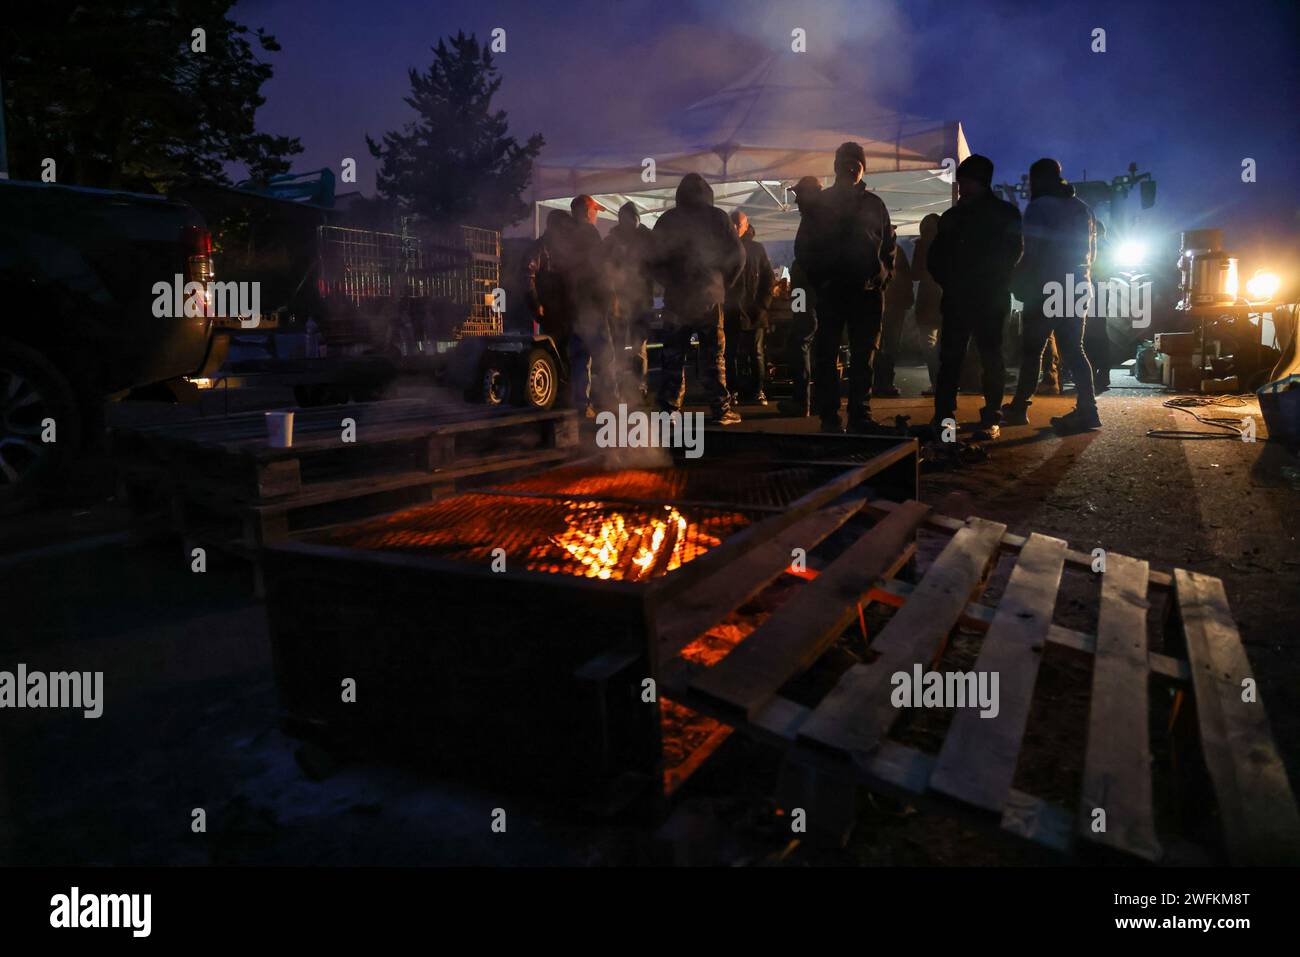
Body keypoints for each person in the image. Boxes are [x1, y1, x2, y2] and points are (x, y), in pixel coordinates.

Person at [794, 142, 895, 433]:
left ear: (863, 167)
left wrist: (883, 276)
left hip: (867, 292)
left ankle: (860, 414)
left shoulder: (875, 205)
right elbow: (804, 248)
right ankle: (829, 416)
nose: (852, 167)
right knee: (827, 353)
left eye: (857, 163)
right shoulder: (821, 204)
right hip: (833, 291)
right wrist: (821, 280)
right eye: (846, 163)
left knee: (864, 357)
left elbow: (889, 245)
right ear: (837, 167)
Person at [926, 154, 1023, 434]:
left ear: (979, 182)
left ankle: (951, 418)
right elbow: (1013, 255)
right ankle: (984, 416)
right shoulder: (1004, 213)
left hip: (969, 297)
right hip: (986, 297)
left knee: (962, 359)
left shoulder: (957, 216)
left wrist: (952, 281)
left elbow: (936, 259)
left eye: (964, 182)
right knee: (983, 357)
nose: (960, 188)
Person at [1003, 157, 1100, 433]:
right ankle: (1088, 410)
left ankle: (1020, 408)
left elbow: (1031, 252)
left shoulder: (1039, 206)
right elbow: (1092, 254)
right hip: (1079, 284)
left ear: (1037, 179)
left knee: (1033, 350)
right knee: (1074, 349)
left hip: (1047, 286)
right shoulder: (1084, 209)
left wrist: (1017, 281)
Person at [650, 173, 746, 425]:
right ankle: (720, 410)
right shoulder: (718, 218)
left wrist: (668, 281)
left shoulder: (668, 219)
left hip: (677, 299)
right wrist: (723, 284)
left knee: (673, 356)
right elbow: (739, 256)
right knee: (713, 355)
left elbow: (650, 259)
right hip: (709, 297)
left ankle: (669, 411)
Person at [564, 194, 616, 416]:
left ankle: (582, 404)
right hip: (592, 306)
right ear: (588, 212)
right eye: (595, 211)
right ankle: (610, 403)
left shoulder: (566, 236)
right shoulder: (590, 233)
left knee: (580, 357)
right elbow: (599, 269)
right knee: (605, 356)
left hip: (575, 306)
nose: (596, 216)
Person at [779, 175, 823, 416]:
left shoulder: (815, 219)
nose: (796, 202)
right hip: (809, 290)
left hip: (806, 290)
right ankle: (814, 400)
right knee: (811, 342)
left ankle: (802, 401)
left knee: (800, 340)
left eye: (798, 195)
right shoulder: (821, 217)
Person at [603, 201, 655, 404]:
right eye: (625, 218)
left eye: (632, 219)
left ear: (637, 220)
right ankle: (618, 390)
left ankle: (638, 386)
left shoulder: (646, 239)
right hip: (619, 301)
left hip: (641, 301)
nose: (628, 223)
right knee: (617, 347)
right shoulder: (612, 241)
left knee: (638, 347)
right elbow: (603, 267)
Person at [724, 210, 775, 405]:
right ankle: (738, 391)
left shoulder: (755, 249)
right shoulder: (727, 249)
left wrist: (762, 305)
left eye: (739, 224)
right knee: (736, 353)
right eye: (734, 224)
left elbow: (768, 279)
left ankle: (754, 390)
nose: (736, 227)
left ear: (746, 226)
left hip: (752, 310)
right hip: (735, 311)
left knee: (753, 353)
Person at [873, 225, 914, 397]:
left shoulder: (875, 251)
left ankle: (879, 382)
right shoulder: (896, 251)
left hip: (883, 304)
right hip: (892, 305)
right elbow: (907, 277)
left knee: (880, 345)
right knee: (889, 346)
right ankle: (885, 383)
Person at [911, 213, 943, 394]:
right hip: (947, 297)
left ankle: (936, 383)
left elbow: (915, 273)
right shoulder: (949, 244)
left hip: (927, 298)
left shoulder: (921, 245)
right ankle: (946, 384)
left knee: (928, 343)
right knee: (944, 344)